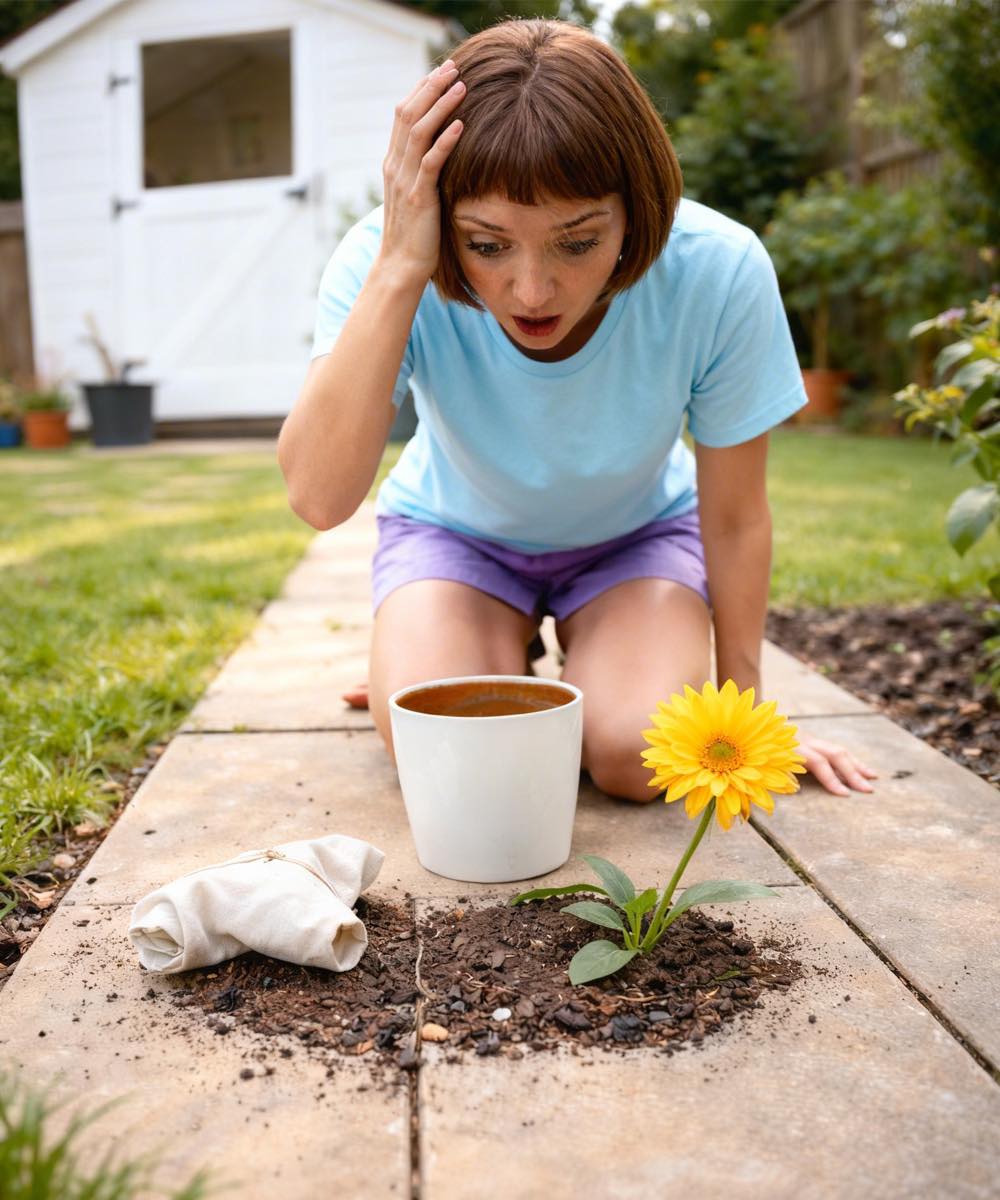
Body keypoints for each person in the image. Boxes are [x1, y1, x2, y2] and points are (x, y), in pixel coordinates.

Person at [277, 18, 876, 803]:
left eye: (576, 241)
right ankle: (457, 643)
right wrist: (400, 269)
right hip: (457, 536)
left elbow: (733, 520)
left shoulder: (717, 270)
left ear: (637, 209)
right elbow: (319, 498)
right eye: (488, 245)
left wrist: (750, 724)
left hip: (633, 543)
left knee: (638, 756)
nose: (532, 290)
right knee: (462, 756)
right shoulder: (385, 255)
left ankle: (548, 656)